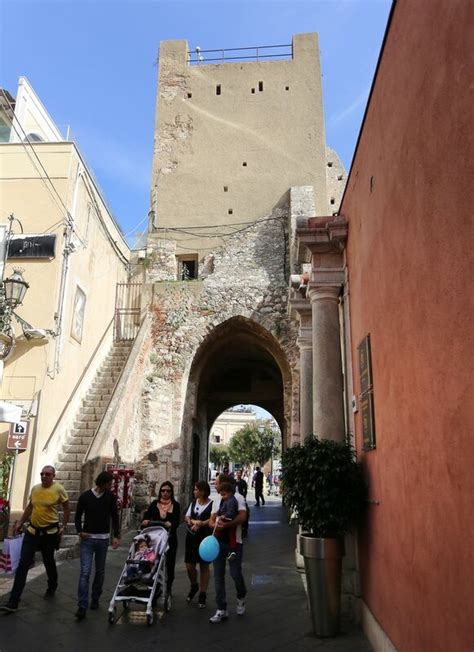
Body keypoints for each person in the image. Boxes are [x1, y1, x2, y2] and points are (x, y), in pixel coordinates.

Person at [0, 466, 70, 613]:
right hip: (32, 532)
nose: (44, 476)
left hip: (49, 534)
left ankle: (52, 585)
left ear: (53, 476)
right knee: (23, 564)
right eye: (42, 474)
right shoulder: (35, 489)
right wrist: (20, 523)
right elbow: (30, 507)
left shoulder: (59, 489)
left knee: (48, 561)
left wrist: (63, 526)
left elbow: (66, 508)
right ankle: (13, 601)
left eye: (47, 474)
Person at [74, 471, 120, 620]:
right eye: (109, 483)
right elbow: (77, 515)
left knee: (100, 571)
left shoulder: (110, 497)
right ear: (102, 483)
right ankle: (82, 605)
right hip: (87, 539)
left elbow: (115, 516)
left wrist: (116, 536)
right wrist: (80, 531)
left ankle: (95, 597)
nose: (111, 486)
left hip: (103, 539)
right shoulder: (86, 497)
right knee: (85, 572)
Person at [208, 473, 247, 624]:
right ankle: (221, 609)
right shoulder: (216, 500)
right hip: (218, 543)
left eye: (217, 483)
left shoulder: (238, 498)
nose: (215, 486)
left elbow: (242, 517)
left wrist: (228, 524)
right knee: (218, 575)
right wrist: (217, 523)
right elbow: (211, 521)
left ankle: (241, 595)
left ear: (225, 484)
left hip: (234, 543)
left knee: (235, 572)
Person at [142, 480, 180, 596]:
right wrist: (146, 520)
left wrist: (171, 524)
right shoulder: (154, 504)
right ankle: (155, 586)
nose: (165, 493)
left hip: (170, 538)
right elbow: (147, 516)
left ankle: (168, 587)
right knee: (154, 562)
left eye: (168, 491)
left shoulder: (175, 505)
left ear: (171, 492)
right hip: (155, 539)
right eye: (163, 490)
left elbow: (177, 521)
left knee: (170, 564)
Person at [184, 480, 212, 608]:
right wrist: (193, 522)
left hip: (204, 537)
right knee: (189, 565)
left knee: (204, 566)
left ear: (203, 491)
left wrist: (201, 523)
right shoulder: (193, 503)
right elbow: (187, 517)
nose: (194, 491)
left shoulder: (212, 504)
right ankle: (194, 584)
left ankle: (203, 593)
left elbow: (212, 519)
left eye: (196, 489)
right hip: (192, 537)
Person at [215, 481, 238, 559]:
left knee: (231, 536)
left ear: (230, 493)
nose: (223, 497)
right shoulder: (226, 500)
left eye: (224, 494)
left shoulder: (232, 501)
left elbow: (231, 512)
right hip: (225, 518)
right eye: (222, 495)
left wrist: (224, 516)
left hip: (229, 519)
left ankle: (232, 550)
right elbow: (223, 509)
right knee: (218, 531)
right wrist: (219, 513)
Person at [235, 470, 250, 537]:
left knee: (247, 512)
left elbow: (245, 491)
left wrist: (244, 497)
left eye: (240, 473)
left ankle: (245, 529)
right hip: (234, 500)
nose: (238, 474)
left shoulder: (243, 482)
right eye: (237, 473)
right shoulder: (234, 482)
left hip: (242, 500)